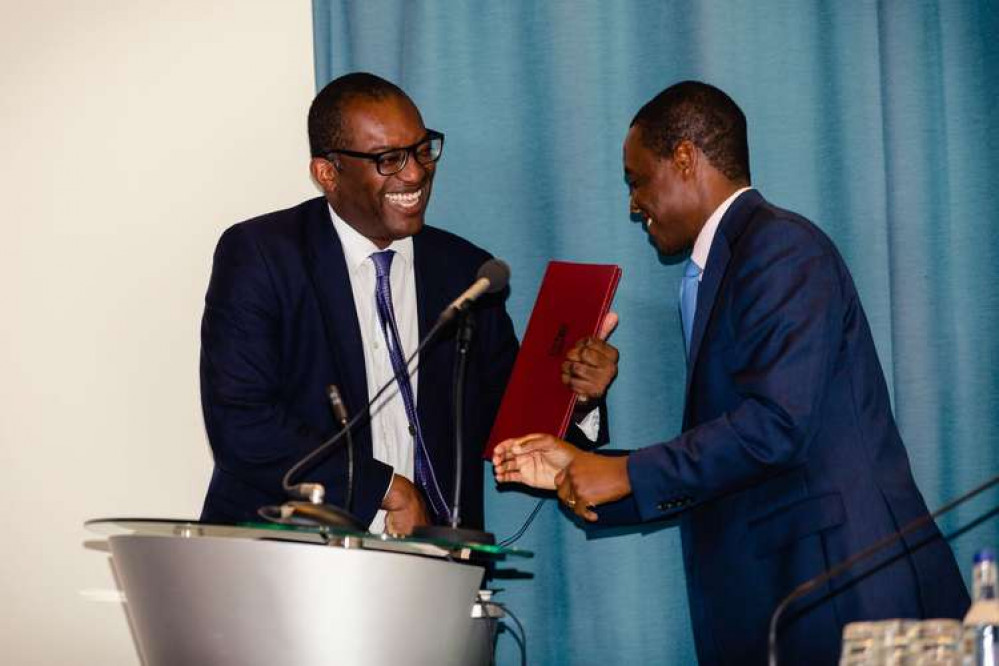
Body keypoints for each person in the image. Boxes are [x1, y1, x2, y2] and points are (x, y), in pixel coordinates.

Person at [493, 81, 968, 665]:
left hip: (849, 592)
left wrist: (626, 473)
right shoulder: (722, 267)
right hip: (785, 601)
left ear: (686, 158)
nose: (632, 204)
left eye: (637, 180)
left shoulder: (780, 247)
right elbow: (731, 451)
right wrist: (585, 472)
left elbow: (776, 425)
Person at [200, 72, 616, 536]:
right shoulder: (263, 255)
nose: (415, 173)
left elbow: (509, 425)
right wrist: (384, 489)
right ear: (327, 173)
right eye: (388, 159)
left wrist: (578, 399)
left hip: (432, 561)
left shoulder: (468, 273)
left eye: (422, 149)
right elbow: (241, 425)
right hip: (287, 559)